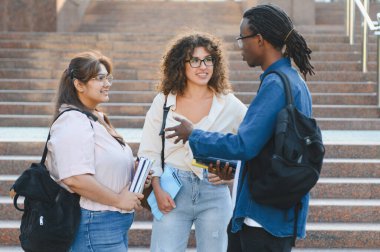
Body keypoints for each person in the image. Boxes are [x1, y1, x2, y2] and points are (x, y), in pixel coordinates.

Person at [165, 4, 315, 252]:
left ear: (259, 40)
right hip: (276, 209)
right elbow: (271, 150)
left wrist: (195, 135)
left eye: (242, 39)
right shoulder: (292, 80)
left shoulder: (276, 85)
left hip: (262, 218)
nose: (240, 47)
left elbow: (244, 145)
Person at [138, 32, 247, 252]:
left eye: (208, 60)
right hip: (171, 189)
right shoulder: (164, 101)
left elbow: (249, 144)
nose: (203, 66)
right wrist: (157, 189)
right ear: (181, 64)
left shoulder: (228, 103)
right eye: (195, 60)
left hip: (214, 192)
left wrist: (230, 172)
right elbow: (149, 150)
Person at [45, 51, 150, 252]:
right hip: (96, 224)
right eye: (99, 79)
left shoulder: (95, 118)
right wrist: (119, 199)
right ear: (79, 84)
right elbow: (75, 178)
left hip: (112, 223)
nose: (107, 84)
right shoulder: (73, 121)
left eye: (108, 78)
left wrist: (135, 175)